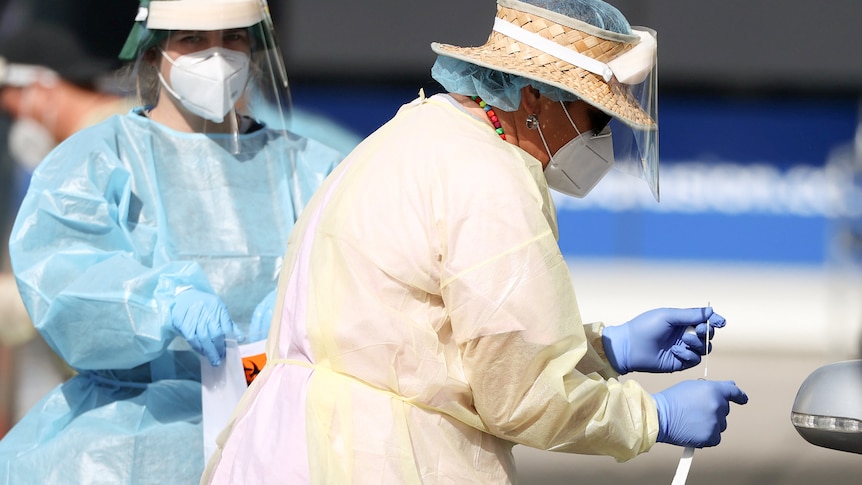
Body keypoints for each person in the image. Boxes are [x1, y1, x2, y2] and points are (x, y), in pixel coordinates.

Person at [202, 0, 748, 483]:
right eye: (595, 114)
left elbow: (438, 346)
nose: (599, 136)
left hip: (286, 450)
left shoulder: (417, 133)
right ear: (533, 95)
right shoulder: (489, 179)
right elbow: (521, 397)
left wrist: (606, 350)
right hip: (374, 459)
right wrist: (655, 419)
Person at [0, 0, 343, 483]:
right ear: (154, 49)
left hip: (276, 439)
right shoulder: (96, 161)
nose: (218, 58)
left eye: (235, 39)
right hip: (125, 450)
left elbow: (362, 273)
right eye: (192, 40)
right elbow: (62, 279)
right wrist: (158, 300)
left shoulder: (311, 167)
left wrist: (305, 301)